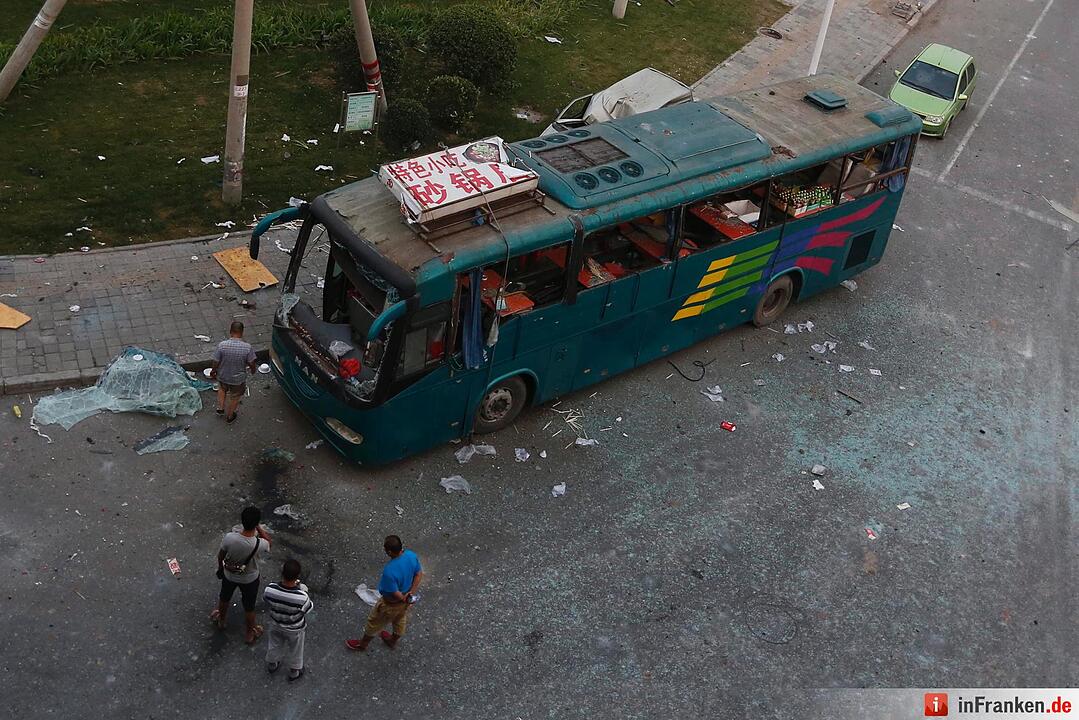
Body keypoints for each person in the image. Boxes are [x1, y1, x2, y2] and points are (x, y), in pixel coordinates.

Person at [346, 535, 422, 651]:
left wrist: (402, 598)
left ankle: (362, 644)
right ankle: (392, 641)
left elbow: (394, 592)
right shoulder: (411, 556)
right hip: (406, 601)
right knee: (400, 620)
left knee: (374, 622)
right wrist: (410, 594)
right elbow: (418, 574)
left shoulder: (389, 571)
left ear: (389, 552)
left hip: (391, 604)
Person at [212, 506, 272, 644]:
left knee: (224, 598)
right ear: (256, 523)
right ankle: (250, 633)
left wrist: (221, 568)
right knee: (249, 607)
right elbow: (269, 542)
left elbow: (220, 556)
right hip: (250, 579)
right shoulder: (259, 543)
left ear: (242, 521)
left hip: (229, 576)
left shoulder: (230, 538)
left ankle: (221, 621)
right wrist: (260, 528)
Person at [264, 559, 313, 682]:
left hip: (275, 623)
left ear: (282, 572)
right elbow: (307, 608)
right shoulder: (302, 597)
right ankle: (294, 671)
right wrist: (303, 590)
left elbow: (266, 600)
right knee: (296, 649)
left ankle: (272, 664)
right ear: (297, 576)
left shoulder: (270, 589)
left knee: (274, 644)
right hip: (294, 628)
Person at [210, 320, 257, 423]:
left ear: (230, 331)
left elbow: (216, 361)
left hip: (223, 375)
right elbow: (252, 362)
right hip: (238, 380)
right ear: (242, 332)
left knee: (222, 389)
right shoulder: (247, 348)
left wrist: (213, 370)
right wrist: (253, 370)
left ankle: (220, 408)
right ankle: (230, 416)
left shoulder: (222, 345)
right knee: (235, 397)